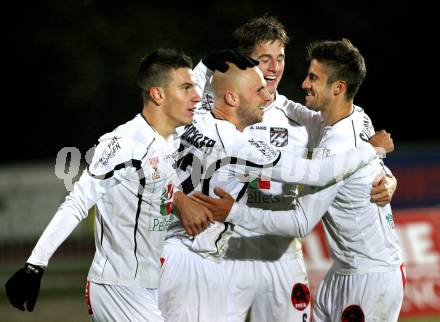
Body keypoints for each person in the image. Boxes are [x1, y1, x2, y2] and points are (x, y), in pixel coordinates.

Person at [193, 15, 397, 322]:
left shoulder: (302, 118)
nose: (274, 68)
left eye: (280, 58)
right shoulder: (221, 108)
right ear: (245, 63)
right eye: (265, 59)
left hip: (283, 258)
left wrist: (388, 179)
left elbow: (352, 144)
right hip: (228, 253)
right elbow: (176, 115)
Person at [4, 48, 214, 321]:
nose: (195, 96)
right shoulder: (123, 144)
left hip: (149, 286)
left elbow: (188, 92)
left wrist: (207, 66)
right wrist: (35, 265)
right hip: (118, 287)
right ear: (157, 94)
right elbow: (78, 202)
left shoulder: (169, 139)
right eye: (186, 88)